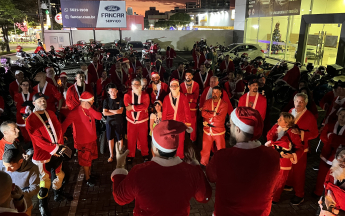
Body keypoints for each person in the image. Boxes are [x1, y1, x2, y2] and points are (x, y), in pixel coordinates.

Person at [111, 120, 212, 215]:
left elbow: (120, 197)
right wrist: (195, 164)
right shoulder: (191, 172)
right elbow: (205, 197)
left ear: (154, 148)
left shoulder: (139, 172)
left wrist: (120, 164)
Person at [206, 107, 280, 216]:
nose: (229, 128)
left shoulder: (222, 157)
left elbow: (210, 177)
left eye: (230, 125)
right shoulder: (273, 155)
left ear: (238, 129)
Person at [25, 93, 72, 215]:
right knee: (45, 181)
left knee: (59, 175)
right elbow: (38, 140)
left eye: (44, 100)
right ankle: (42, 205)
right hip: (43, 155)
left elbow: (59, 130)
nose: (43, 102)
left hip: (56, 151)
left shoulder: (50, 113)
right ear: (34, 103)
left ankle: (57, 193)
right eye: (40, 101)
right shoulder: (30, 120)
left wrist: (60, 147)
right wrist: (56, 149)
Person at [285, 93, 319, 205]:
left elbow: (315, 133)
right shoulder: (290, 111)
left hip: (301, 148)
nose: (299, 104)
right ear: (293, 102)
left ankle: (299, 194)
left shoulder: (309, 116)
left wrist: (301, 133)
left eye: (301, 102)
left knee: (299, 172)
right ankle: (289, 184)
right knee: (289, 168)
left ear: (306, 103)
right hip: (289, 145)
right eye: (297, 101)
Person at [62, 91, 102, 187]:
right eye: (92, 100)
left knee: (90, 158)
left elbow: (99, 117)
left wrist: (90, 109)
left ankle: (90, 174)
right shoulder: (75, 112)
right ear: (86, 102)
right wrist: (61, 136)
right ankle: (87, 178)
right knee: (85, 161)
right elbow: (64, 125)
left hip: (92, 139)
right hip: (83, 141)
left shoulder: (90, 109)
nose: (93, 102)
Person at [265, 113, 303, 203]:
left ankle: (275, 198)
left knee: (280, 180)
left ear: (286, 123)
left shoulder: (292, 133)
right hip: (273, 157)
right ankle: (269, 194)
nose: (278, 120)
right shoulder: (276, 127)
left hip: (284, 161)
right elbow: (268, 137)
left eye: (280, 119)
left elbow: (299, 147)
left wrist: (292, 155)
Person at [314, 108, 345, 197]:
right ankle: (318, 191)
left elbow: (328, 138)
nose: (342, 117)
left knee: (335, 176)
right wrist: (337, 139)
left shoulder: (329, 128)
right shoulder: (330, 125)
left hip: (340, 157)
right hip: (326, 154)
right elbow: (322, 137)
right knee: (322, 174)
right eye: (340, 115)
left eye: (344, 116)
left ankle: (331, 194)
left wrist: (331, 136)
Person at [2, 149, 40, 216]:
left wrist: (19, 193)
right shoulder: (2, 164)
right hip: (5, 205)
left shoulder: (32, 169)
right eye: (5, 166)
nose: (7, 170)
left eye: (11, 166)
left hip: (23, 203)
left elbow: (35, 188)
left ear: (20, 161)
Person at [162, 79, 192, 159]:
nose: (174, 87)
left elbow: (187, 111)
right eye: (172, 86)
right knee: (170, 141)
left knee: (180, 141)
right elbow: (164, 112)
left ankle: (180, 157)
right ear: (170, 87)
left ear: (178, 87)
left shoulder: (183, 97)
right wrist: (163, 125)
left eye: (175, 86)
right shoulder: (166, 98)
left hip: (180, 123)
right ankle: (170, 156)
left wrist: (188, 123)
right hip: (170, 124)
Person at [200, 86, 228, 166]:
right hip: (207, 130)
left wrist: (208, 114)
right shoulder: (207, 102)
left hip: (219, 130)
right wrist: (214, 113)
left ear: (220, 93)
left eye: (216, 92)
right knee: (205, 149)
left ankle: (221, 164)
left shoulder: (224, 104)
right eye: (213, 92)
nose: (214, 94)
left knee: (221, 149)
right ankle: (203, 163)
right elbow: (203, 113)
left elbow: (220, 118)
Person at [123, 78, 150, 162]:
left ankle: (145, 153)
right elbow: (128, 108)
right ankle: (130, 155)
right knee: (131, 139)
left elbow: (145, 106)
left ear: (141, 85)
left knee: (143, 139)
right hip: (131, 121)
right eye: (135, 84)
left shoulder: (145, 95)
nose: (136, 86)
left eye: (138, 84)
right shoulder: (127, 95)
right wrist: (140, 107)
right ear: (131, 86)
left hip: (143, 121)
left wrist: (133, 107)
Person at [318, 147, 345, 215]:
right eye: (341, 157)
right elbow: (326, 186)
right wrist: (322, 199)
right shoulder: (332, 171)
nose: (344, 161)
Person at [102, 84, 124, 163]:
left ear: (117, 91)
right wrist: (116, 112)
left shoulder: (120, 99)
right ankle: (111, 155)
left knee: (120, 138)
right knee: (110, 139)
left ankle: (120, 154)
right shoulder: (106, 101)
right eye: (111, 91)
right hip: (109, 122)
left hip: (118, 122)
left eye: (114, 91)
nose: (113, 93)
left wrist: (109, 111)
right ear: (108, 92)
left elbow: (121, 111)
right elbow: (104, 113)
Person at [180, 70, 199, 142]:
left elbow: (196, 97)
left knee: (193, 124)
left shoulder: (196, 85)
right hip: (184, 108)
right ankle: (182, 138)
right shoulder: (181, 85)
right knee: (183, 123)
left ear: (192, 76)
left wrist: (186, 96)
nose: (188, 77)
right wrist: (190, 96)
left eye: (189, 75)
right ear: (185, 76)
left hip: (193, 108)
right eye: (186, 75)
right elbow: (181, 97)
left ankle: (193, 138)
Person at [14, 78, 33, 143]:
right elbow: (18, 107)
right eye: (24, 85)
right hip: (21, 117)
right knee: (25, 133)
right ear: (21, 86)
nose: (25, 86)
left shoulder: (33, 94)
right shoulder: (17, 95)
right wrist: (28, 107)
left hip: (32, 116)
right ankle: (28, 145)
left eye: (27, 85)